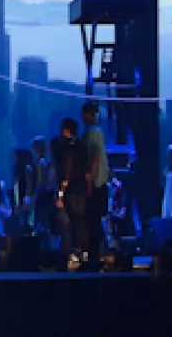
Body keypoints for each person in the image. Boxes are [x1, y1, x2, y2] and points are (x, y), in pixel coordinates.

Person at [53, 118, 90, 265]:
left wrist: (61, 193)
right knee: (80, 221)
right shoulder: (82, 146)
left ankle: (74, 250)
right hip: (81, 188)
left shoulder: (69, 148)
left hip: (72, 189)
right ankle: (83, 250)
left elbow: (67, 172)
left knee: (72, 221)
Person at [81, 102, 110, 263]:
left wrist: (89, 179)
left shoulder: (91, 133)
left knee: (92, 220)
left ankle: (94, 255)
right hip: (99, 183)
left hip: (94, 184)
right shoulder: (97, 132)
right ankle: (95, 254)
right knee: (95, 219)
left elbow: (94, 157)